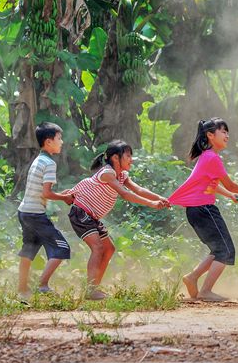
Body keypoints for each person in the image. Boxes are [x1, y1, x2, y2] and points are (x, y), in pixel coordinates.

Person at [168, 118, 238, 302]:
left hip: (197, 210)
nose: (227, 135)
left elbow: (212, 184)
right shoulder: (212, 157)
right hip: (203, 209)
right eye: (223, 131)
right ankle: (206, 291)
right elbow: (230, 184)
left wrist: (230, 196)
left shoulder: (207, 157)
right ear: (210, 135)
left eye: (227, 132)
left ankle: (192, 278)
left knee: (218, 249)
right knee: (225, 250)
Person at [69, 140, 168, 300]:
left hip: (91, 216)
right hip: (81, 212)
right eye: (128, 155)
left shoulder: (122, 174)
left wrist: (160, 198)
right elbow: (125, 194)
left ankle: (94, 289)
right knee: (98, 248)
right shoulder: (107, 173)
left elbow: (138, 189)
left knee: (109, 249)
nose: (131, 159)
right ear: (116, 158)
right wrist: (152, 203)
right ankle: (91, 290)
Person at [16, 122, 74, 302]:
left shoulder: (37, 160)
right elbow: (46, 193)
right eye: (59, 138)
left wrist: (59, 195)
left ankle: (22, 290)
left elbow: (43, 193)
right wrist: (64, 198)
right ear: (48, 142)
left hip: (24, 211)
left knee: (28, 250)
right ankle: (42, 285)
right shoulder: (49, 163)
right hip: (35, 214)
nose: (62, 142)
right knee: (62, 247)